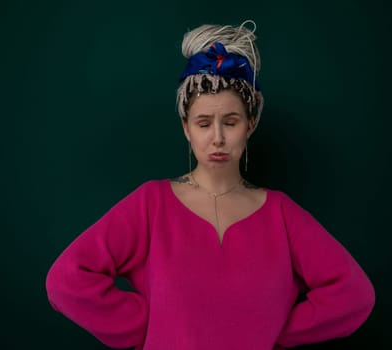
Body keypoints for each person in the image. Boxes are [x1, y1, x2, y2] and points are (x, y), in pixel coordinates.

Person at [45, 20, 375, 350]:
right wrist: (151, 324)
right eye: (203, 123)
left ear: (251, 123)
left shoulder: (281, 215)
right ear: (186, 128)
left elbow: (353, 295)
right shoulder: (151, 204)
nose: (217, 138)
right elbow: (68, 280)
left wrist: (270, 327)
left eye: (230, 122)